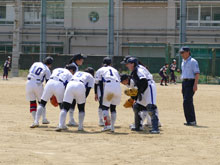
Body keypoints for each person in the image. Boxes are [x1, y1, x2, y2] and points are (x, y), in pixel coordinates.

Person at [30, 64, 77, 128]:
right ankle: (62, 124)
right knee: (62, 106)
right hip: (59, 84)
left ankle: (36, 121)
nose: (73, 73)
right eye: (73, 71)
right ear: (71, 70)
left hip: (49, 83)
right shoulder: (70, 74)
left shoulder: (56, 69)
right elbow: (68, 86)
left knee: (42, 103)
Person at [124, 57, 160, 134]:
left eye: (128, 64)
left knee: (150, 107)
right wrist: (135, 96)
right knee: (137, 106)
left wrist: (138, 92)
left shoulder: (139, 69)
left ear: (133, 64)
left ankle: (155, 128)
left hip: (149, 86)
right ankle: (138, 125)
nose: (127, 65)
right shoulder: (135, 70)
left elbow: (143, 81)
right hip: (144, 88)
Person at [56, 67, 95, 131]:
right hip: (80, 85)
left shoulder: (77, 72)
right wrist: (83, 98)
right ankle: (80, 127)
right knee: (81, 108)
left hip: (70, 85)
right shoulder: (90, 76)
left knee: (65, 107)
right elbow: (88, 90)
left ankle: (60, 125)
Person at [95, 57, 121, 132]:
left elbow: (98, 82)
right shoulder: (115, 70)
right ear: (111, 64)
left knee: (105, 107)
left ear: (103, 63)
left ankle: (107, 125)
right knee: (113, 108)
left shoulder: (100, 70)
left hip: (108, 86)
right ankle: (112, 127)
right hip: (117, 86)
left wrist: (101, 94)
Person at [26, 57, 53, 124]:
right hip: (37, 84)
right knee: (42, 102)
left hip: (28, 83)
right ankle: (43, 119)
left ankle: (35, 120)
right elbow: (48, 82)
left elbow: (31, 72)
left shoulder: (35, 63)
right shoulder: (47, 69)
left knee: (32, 102)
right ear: (50, 64)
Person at [180, 46, 200, 126]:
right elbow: (184, 74)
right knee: (185, 103)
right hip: (184, 83)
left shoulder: (193, 61)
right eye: (181, 53)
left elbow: (197, 73)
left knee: (187, 101)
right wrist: (182, 86)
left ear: (188, 52)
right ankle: (189, 120)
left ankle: (192, 120)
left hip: (191, 82)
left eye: (183, 52)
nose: (182, 54)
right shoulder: (183, 62)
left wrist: (195, 85)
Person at [67, 53, 87, 126]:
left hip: (68, 86)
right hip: (70, 86)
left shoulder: (73, 65)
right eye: (82, 59)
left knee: (71, 103)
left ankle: (71, 119)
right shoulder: (74, 66)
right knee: (71, 103)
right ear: (77, 60)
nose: (82, 61)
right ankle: (70, 119)